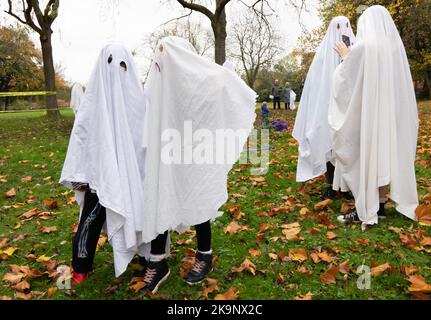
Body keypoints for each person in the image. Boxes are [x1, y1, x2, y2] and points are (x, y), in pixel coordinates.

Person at [139, 36, 256, 292]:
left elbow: (220, 89)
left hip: (196, 152)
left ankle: (204, 255)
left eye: (169, 57)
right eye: (160, 58)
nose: (162, 63)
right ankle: (157, 260)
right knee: (161, 195)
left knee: (198, 198)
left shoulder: (200, 82)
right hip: (164, 152)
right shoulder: (157, 81)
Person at [60, 44, 169, 285]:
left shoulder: (139, 103)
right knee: (90, 221)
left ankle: (142, 256)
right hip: (100, 178)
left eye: (123, 65)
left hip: (133, 178)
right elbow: (82, 138)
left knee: (139, 213)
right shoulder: (93, 103)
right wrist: (82, 176)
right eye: (111, 63)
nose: (117, 70)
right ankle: (81, 266)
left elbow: (146, 142)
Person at [329, 5, 419, 226]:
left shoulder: (364, 47)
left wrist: (345, 56)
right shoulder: (393, 49)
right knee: (383, 157)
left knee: (367, 158)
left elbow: (346, 80)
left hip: (368, 115)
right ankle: (378, 206)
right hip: (389, 115)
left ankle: (366, 209)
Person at [292, 16, 356, 198]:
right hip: (327, 107)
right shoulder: (322, 56)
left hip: (349, 108)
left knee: (348, 145)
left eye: (346, 26)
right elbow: (315, 85)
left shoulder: (356, 49)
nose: (342, 30)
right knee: (327, 143)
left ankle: (349, 185)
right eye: (337, 26)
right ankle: (331, 184)